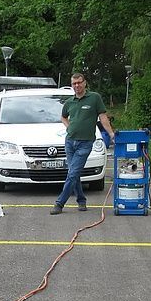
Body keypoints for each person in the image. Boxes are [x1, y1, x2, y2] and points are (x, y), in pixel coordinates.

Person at [51, 72, 115, 214]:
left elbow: (103, 117)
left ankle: (59, 203)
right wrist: (69, 127)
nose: (77, 85)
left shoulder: (94, 98)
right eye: (74, 83)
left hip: (85, 143)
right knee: (74, 173)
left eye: (79, 82)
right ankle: (81, 200)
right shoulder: (69, 102)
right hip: (70, 142)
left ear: (85, 83)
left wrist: (111, 134)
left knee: (73, 173)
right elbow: (63, 117)